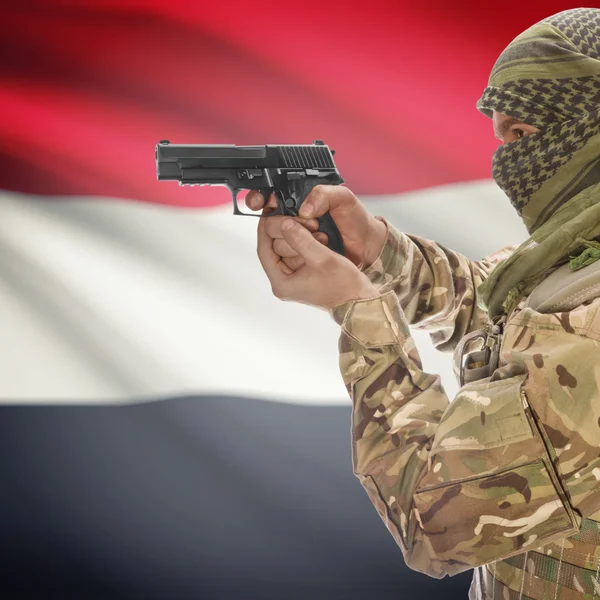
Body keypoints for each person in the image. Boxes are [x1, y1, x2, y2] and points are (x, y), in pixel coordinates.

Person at [246, 8, 600, 599]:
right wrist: (378, 250)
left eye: (522, 134)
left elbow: (434, 523)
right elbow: (499, 309)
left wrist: (359, 310)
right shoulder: (577, 255)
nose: (506, 160)